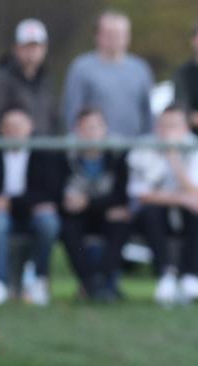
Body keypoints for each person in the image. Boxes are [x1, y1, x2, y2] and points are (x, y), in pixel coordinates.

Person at [127, 105, 198, 305]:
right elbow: (141, 194)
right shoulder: (143, 147)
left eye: (173, 125)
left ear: (185, 128)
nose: (166, 130)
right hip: (155, 211)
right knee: (151, 212)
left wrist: (174, 158)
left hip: (186, 210)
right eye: (163, 125)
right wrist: (181, 198)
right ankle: (166, 275)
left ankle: (191, 275)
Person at [0, 107, 60, 306]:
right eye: (10, 126)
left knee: (48, 222)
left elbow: (47, 194)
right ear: (2, 130)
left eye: (19, 126)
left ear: (30, 128)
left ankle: (39, 281)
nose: (14, 131)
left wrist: (11, 202)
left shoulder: (42, 155)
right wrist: (26, 204)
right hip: (1, 215)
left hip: (31, 215)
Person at [59, 108, 130, 301]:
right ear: (77, 130)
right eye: (86, 127)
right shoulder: (65, 156)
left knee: (120, 222)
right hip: (78, 215)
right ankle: (91, 283)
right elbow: (58, 195)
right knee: (68, 228)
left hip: (105, 213)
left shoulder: (117, 156)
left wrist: (88, 203)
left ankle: (102, 282)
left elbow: (121, 196)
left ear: (105, 129)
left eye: (96, 127)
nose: (92, 132)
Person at [61, 10, 153, 136]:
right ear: (97, 36)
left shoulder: (140, 69)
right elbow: (72, 110)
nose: (115, 39)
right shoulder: (82, 68)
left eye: (120, 34)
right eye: (109, 34)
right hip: (95, 150)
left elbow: (148, 113)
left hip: (134, 148)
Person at [0, 19, 57, 136]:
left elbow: (52, 119)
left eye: (36, 46)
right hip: (11, 151)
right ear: (16, 48)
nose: (32, 51)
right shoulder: (1, 79)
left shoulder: (46, 80)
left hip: (42, 151)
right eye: (27, 46)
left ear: (44, 48)